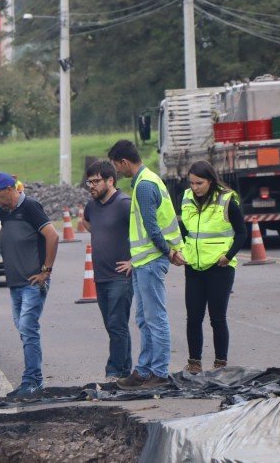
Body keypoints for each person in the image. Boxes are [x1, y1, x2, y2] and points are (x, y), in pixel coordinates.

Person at [107, 140, 185, 390]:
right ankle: (143, 370)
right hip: (144, 261)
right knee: (143, 318)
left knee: (155, 318)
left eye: (116, 166)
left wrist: (168, 252)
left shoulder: (145, 185)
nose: (117, 171)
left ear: (124, 162)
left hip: (152, 260)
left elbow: (152, 227)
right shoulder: (145, 180)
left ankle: (159, 372)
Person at [0, 172, 59, 397]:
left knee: (28, 327)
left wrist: (46, 270)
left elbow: (52, 236)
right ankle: (34, 380)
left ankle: (32, 381)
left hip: (33, 281)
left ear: (9, 189)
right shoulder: (4, 211)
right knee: (24, 330)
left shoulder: (31, 207)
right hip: (15, 282)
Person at [179, 160, 246, 373]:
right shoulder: (187, 198)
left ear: (210, 181)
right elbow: (183, 230)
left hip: (220, 266)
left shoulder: (226, 200)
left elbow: (242, 233)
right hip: (194, 266)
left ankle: (220, 364)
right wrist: (179, 249)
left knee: (217, 317)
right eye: (191, 183)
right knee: (193, 317)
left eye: (199, 183)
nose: (194, 187)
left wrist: (229, 255)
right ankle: (194, 364)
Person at [81, 160, 133, 382]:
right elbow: (88, 223)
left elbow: (145, 232)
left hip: (121, 277)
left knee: (117, 324)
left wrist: (134, 260)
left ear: (110, 181)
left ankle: (115, 371)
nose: (91, 186)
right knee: (113, 326)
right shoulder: (91, 206)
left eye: (95, 181)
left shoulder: (124, 204)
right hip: (100, 277)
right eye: (89, 181)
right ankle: (125, 370)